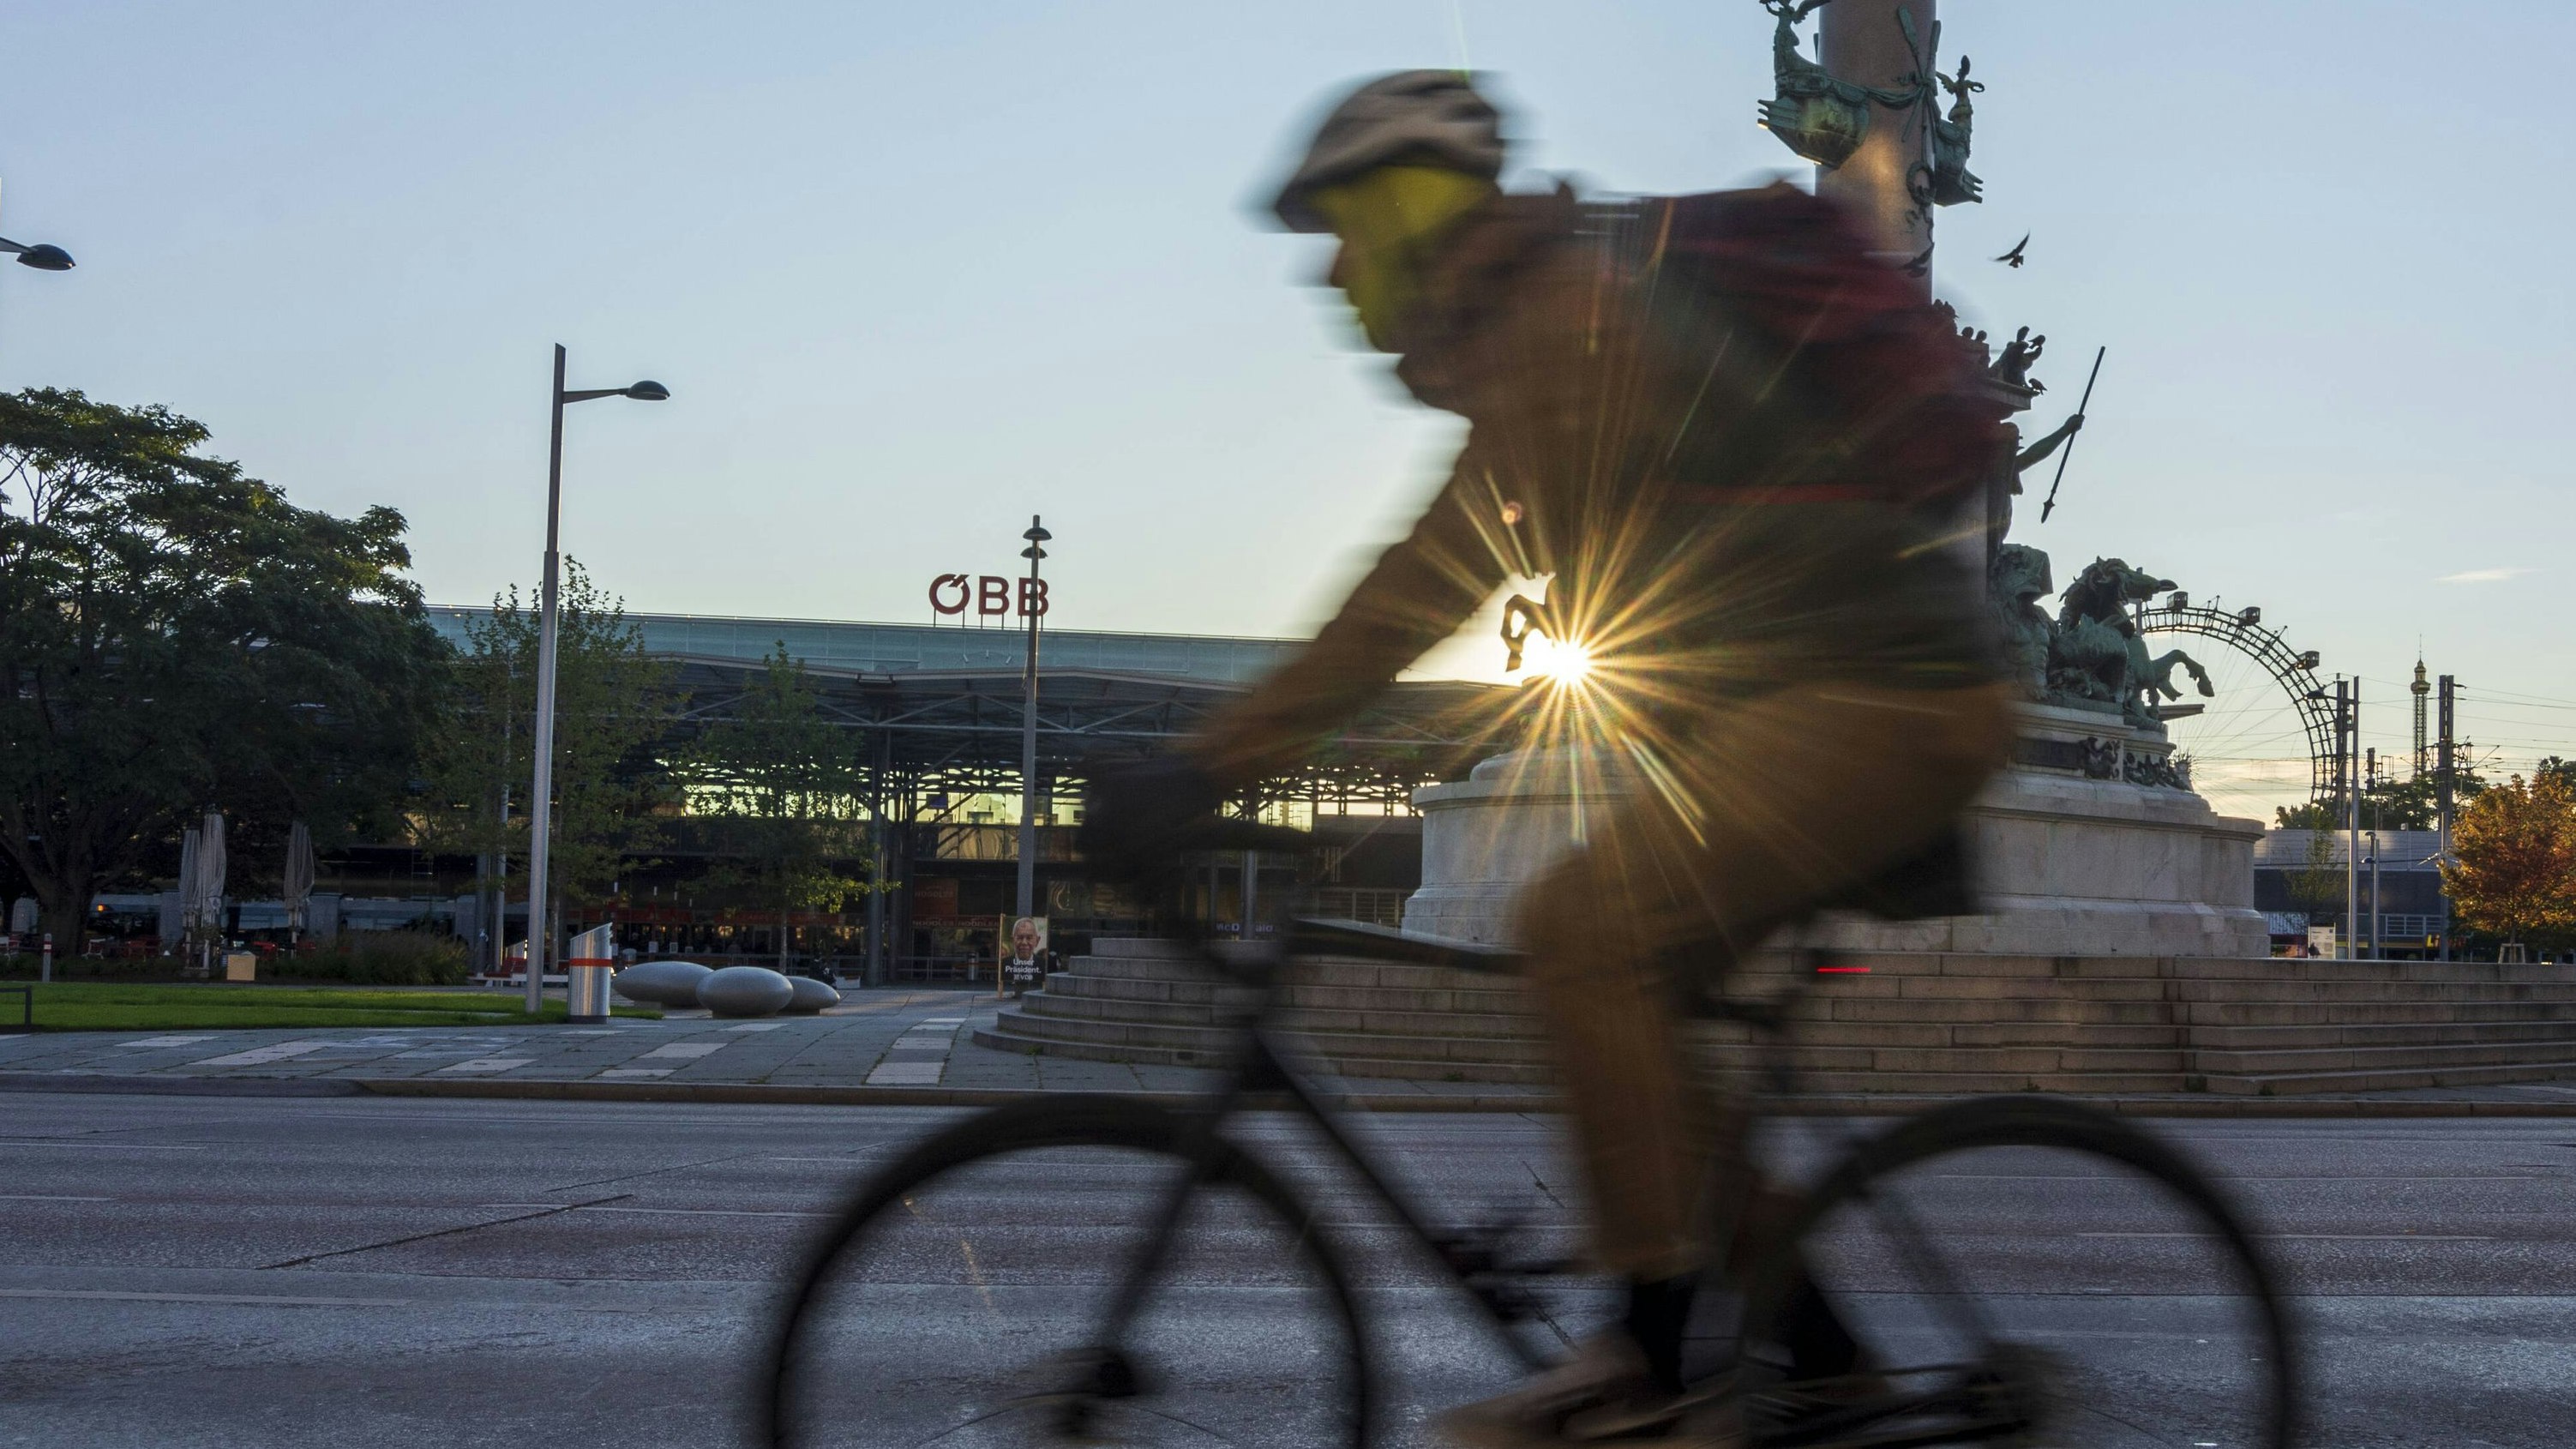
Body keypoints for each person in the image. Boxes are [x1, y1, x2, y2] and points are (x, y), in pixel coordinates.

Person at [1085, 71, 2017, 1447]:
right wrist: (1216, 762)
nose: (1334, 275)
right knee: (1650, 1038)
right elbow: (1432, 576)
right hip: (1837, 693)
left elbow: (1417, 587)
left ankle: (1647, 1363)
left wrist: (1203, 770)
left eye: (1342, 234)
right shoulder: (1541, 317)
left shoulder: (1561, 319)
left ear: (1404, 214)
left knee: (1581, 928)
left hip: (1889, 696)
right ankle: (1820, 1356)